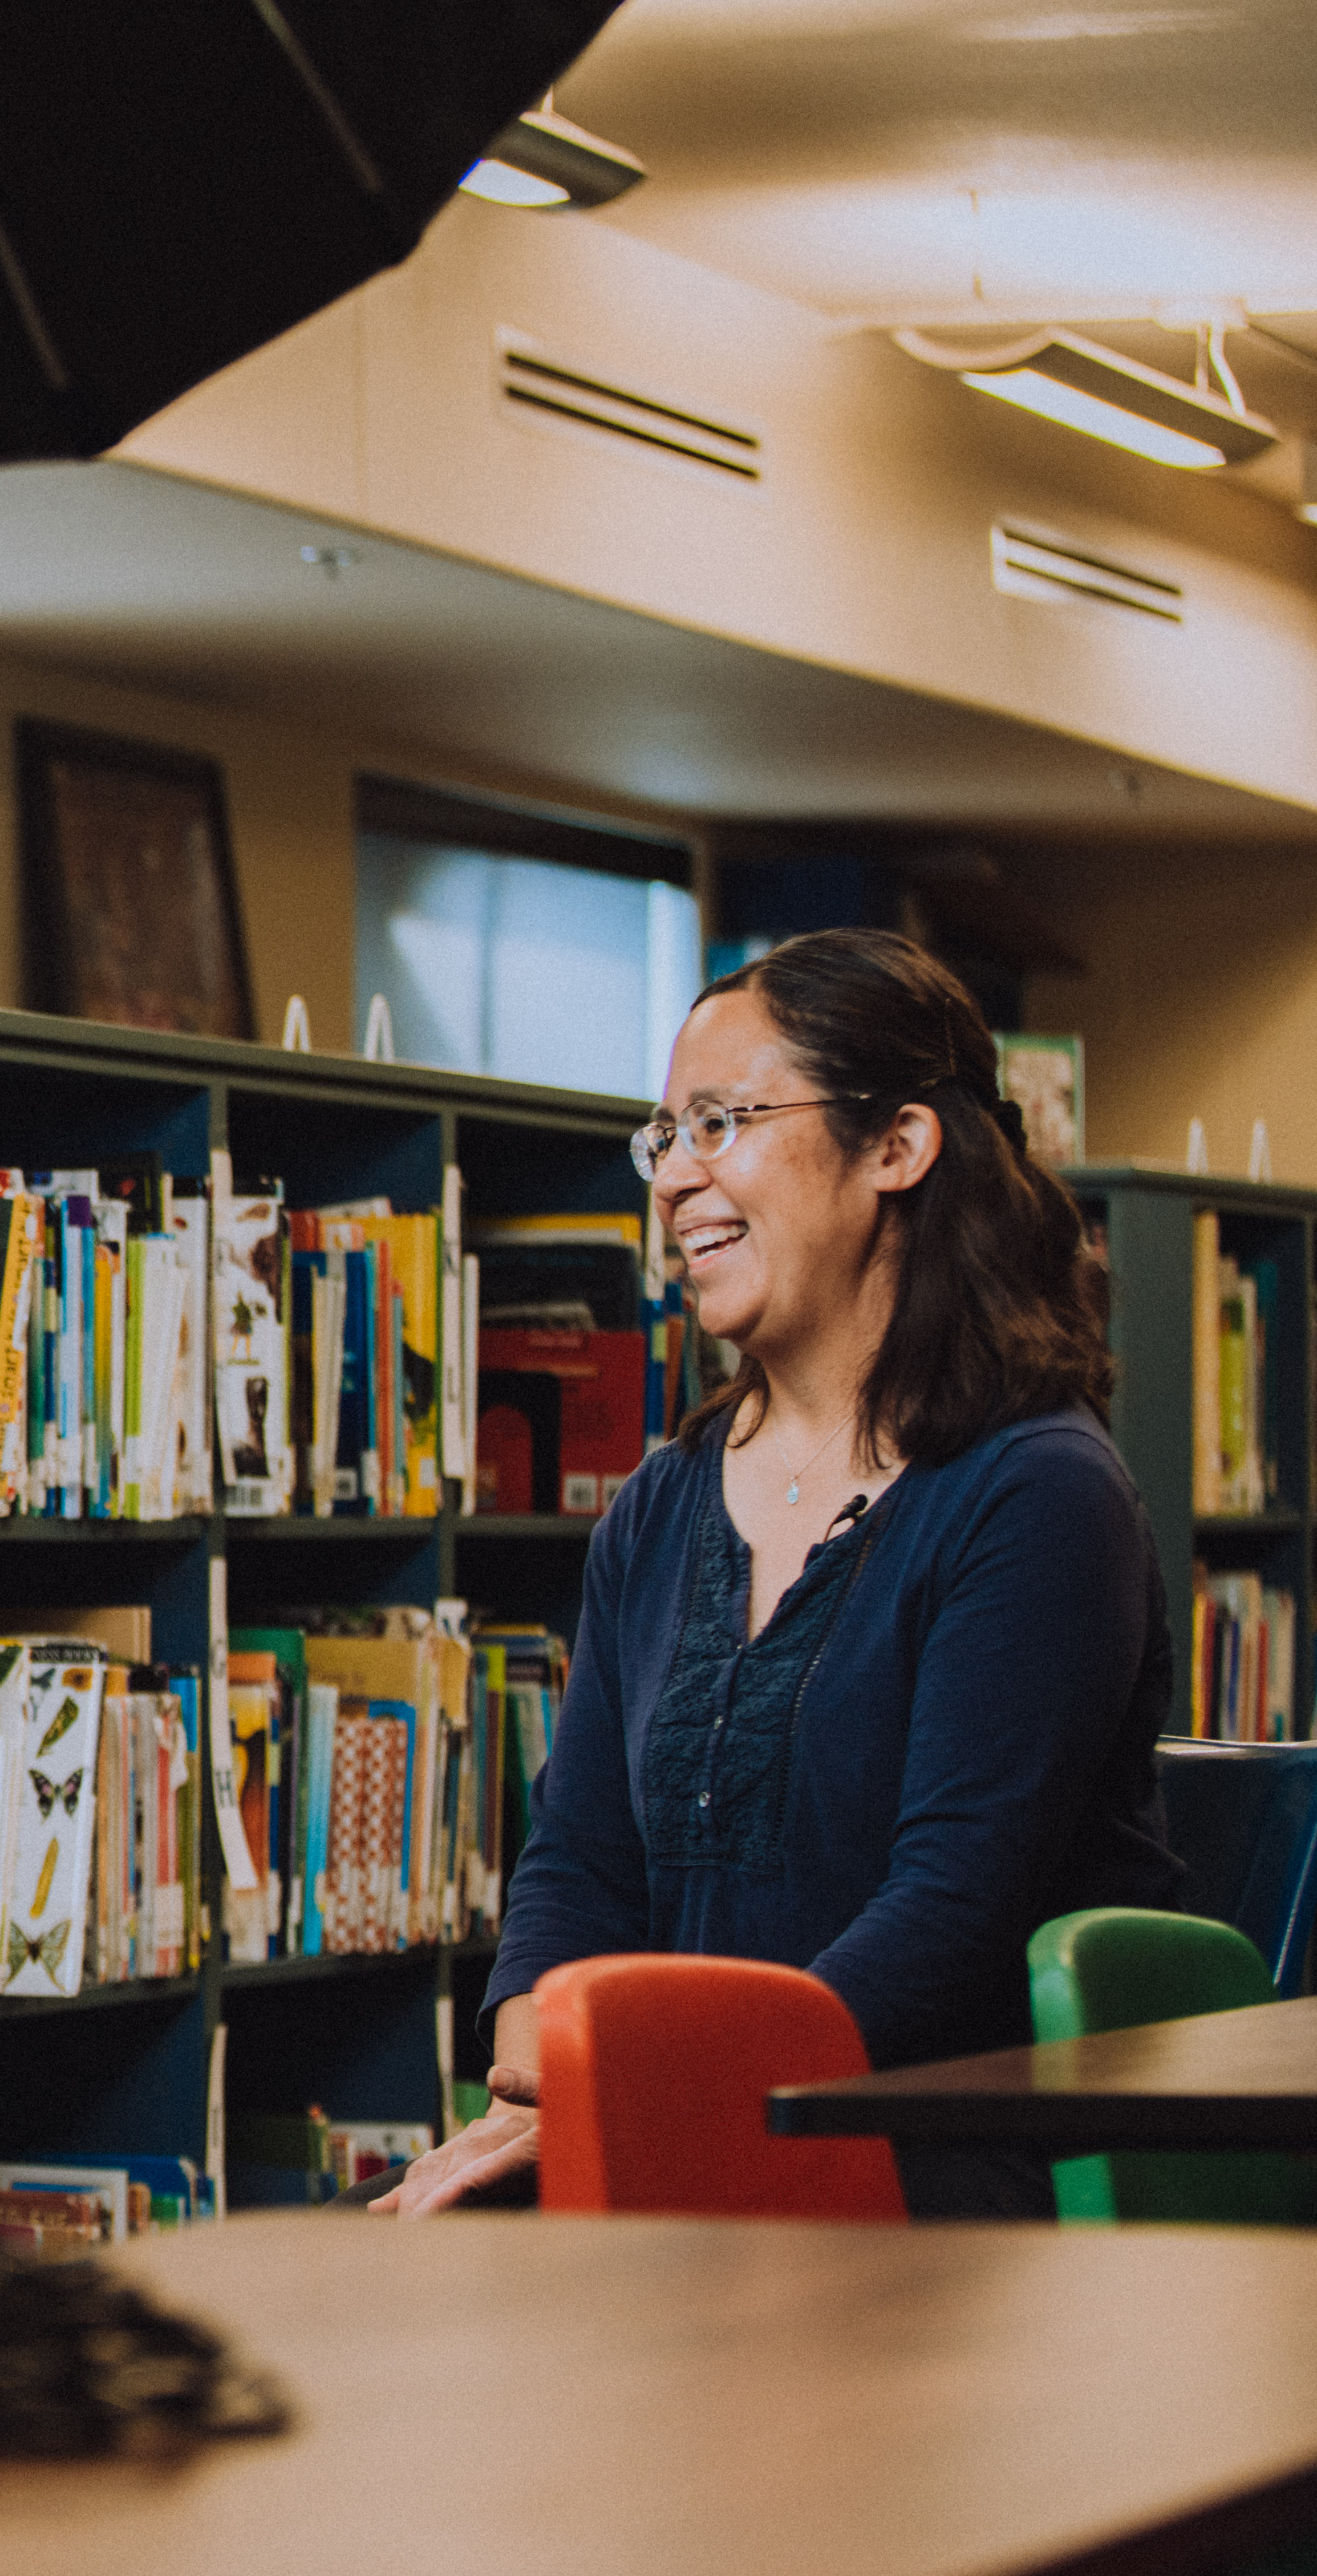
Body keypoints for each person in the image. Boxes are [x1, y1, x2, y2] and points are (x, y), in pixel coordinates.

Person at [391, 927, 1174, 2220]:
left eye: (720, 1123)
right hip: (685, 2155)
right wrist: (531, 2101)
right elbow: (579, 1860)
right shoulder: (658, 1507)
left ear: (896, 1148)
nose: (674, 1177)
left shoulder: (1036, 1495)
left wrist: (644, 2109)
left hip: (934, 2173)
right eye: (664, 1138)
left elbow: (947, 1922)